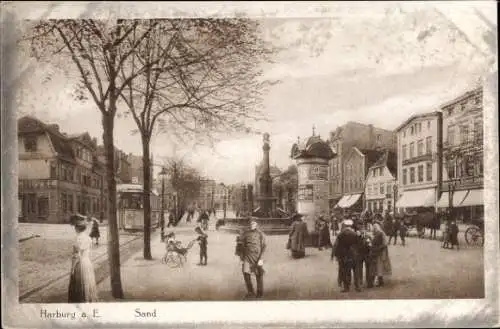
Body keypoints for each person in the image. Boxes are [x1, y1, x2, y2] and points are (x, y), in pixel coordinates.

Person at [68, 214, 99, 303]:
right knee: (88, 284)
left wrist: (73, 268)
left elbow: (76, 256)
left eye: (75, 227)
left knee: (78, 285)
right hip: (87, 263)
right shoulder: (89, 238)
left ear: (77, 228)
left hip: (80, 265)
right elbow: (89, 253)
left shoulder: (77, 239)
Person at [236, 219, 266, 299]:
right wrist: (241, 256)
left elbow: (264, 246)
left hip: (257, 257)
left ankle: (260, 292)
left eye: (253, 223)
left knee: (258, 274)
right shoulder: (245, 234)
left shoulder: (261, 234)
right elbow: (241, 245)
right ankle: (250, 291)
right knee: (246, 273)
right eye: (250, 223)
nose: (252, 225)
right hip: (247, 256)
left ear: (256, 224)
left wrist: (261, 258)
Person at [332, 219, 361, 292]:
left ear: (345, 225)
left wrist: (337, 255)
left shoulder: (341, 234)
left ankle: (346, 287)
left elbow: (338, 246)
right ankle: (357, 287)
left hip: (346, 256)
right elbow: (359, 245)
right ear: (351, 226)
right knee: (356, 272)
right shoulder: (355, 234)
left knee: (346, 272)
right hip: (355, 255)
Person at [370, 223, 392, 287]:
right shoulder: (379, 233)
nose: (373, 230)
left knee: (379, 266)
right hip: (379, 252)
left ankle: (380, 282)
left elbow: (384, 243)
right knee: (378, 267)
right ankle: (379, 281)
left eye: (374, 229)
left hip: (381, 253)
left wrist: (377, 248)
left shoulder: (381, 233)